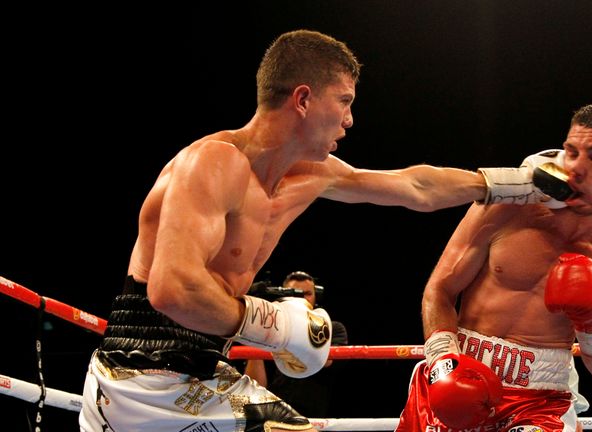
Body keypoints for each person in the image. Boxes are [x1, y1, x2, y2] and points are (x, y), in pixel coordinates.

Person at [78, 29, 565, 432]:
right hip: (137, 377)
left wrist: (515, 184)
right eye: (345, 101)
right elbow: (173, 289)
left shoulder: (312, 174)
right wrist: (276, 326)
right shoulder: (213, 164)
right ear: (304, 99)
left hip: (196, 374)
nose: (351, 119)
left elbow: (414, 185)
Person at [396, 101, 592, 432]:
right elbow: (440, 289)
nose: (577, 168)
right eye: (571, 151)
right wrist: (444, 363)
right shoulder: (510, 206)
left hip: (538, 400)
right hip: (456, 371)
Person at [244, 271, 349, 417]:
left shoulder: (333, 328)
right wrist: (256, 332)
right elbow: (255, 386)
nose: (301, 299)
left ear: (316, 297)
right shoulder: (268, 329)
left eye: (307, 293)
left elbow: (327, 360)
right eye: (295, 294)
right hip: (272, 412)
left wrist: (295, 332)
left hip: (312, 413)